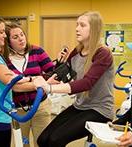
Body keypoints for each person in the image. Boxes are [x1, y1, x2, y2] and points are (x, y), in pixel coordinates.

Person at [33, 11, 115, 147]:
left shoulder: (102, 53)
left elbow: (87, 83)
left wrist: (50, 88)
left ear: (93, 28)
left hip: (99, 110)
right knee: (43, 139)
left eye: (82, 25)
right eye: (77, 25)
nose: (77, 29)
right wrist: (35, 79)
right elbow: (62, 73)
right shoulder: (77, 51)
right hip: (80, 105)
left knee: (55, 140)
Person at [0, 14, 40, 147]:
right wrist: (35, 83)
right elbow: (11, 81)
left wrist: (29, 79)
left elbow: (10, 75)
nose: (5, 35)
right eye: (1, 32)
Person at [4, 22, 67, 147]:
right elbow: (11, 85)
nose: (21, 38)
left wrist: (59, 64)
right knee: (22, 143)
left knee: (42, 142)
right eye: (15, 37)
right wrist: (36, 80)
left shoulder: (37, 51)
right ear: (8, 42)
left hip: (40, 107)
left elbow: (51, 73)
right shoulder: (4, 60)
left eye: (22, 34)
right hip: (18, 110)